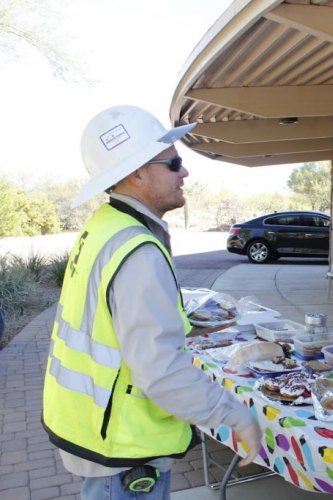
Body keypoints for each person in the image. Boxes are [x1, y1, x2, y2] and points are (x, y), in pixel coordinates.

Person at [41, 105, 261, 499]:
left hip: (96, 427)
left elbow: (111, 322)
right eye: (174, 162)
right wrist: (236, 416)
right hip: (123, 445)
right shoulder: (137, 250)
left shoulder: (105, 226)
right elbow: (160, 371)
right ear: (138, 172)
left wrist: (185, 325)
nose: (185, 172)